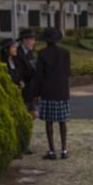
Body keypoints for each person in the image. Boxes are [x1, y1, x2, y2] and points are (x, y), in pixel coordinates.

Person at [36, 27, 70, 160]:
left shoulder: (42, 53)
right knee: (63, 122)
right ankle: (64, 150)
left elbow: (39, 75)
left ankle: (51, 151)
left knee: (49, 122)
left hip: (47, 92)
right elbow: (68, 72)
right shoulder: (65, 52)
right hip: (62, 91)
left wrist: (37, 93)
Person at [16, 28, 38, 115]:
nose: (34, 42)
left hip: (31, 91)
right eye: (32, 40)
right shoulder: (17, 53)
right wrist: (35, 70)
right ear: (24, 40)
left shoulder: (30, 52)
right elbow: (20, 72)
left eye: (34, 40)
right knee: (24, 115)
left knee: (34, 114)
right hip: (22, 91)